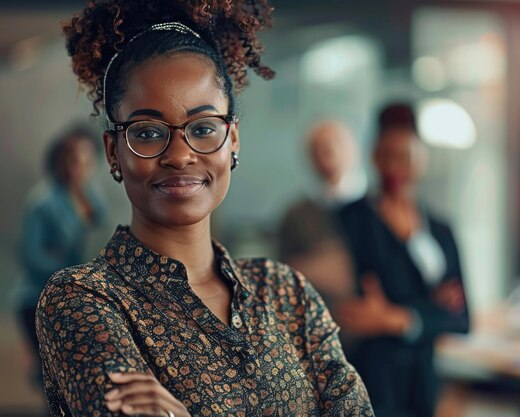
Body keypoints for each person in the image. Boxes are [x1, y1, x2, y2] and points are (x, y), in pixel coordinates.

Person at [35, 2, 374, 417]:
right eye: (147, 132)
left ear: (232, 140)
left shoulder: (287, 294)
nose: (180, 155)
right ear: (113, 152)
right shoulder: (83, 302)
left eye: (203, 128)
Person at [336, 103, 470, 417]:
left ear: (421, 160)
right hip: (372, 378)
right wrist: (430, 303)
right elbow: (354, 307)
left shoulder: (440, 229)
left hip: (425, 380)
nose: (395, 167)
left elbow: (462, 318)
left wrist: (400, 318)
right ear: (373, 156)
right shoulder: (352, 219)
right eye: (387, 156)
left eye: (405, 157)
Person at [15, 123, 105, 388]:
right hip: (38, 298)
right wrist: (69, 272)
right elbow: (32, 257)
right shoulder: (42, 203)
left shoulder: (91, 197)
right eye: (73, 157)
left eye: (87, 158)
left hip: (76, 298)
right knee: (54, 380)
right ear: (58, 160)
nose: (80, 165)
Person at [278, 119, 366, 303]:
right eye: (318, 149)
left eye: (336, 144)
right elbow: (284, 271)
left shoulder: (376, 207)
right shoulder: (295, 215)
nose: (328, 154)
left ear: (353, 150)